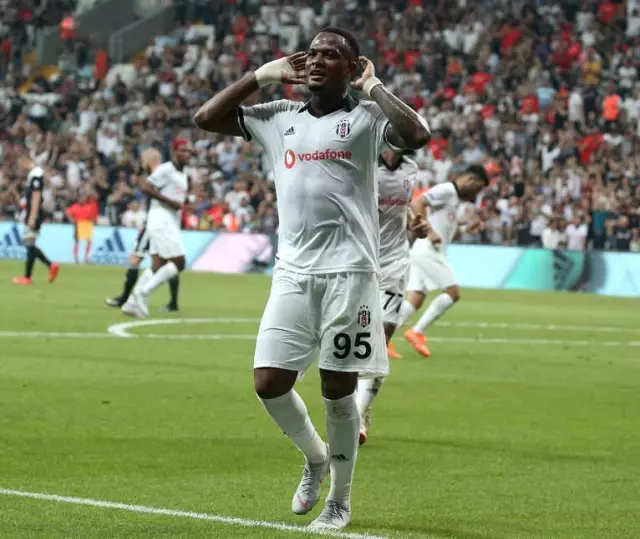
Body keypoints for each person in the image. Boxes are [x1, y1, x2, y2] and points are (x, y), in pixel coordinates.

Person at [194, 27, 430, 531]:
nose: (317, 61)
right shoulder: (279, 116)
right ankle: (316, 456)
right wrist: (261, 76)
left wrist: (373, 87)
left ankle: (340, 501)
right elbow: (206, 119)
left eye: (331, 55)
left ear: (353, 67)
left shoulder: (367, 117)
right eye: (313, 54)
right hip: (292, 273)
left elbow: (417, 135)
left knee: (337, 393)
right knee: (269, 383)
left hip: (350, 275)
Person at [356, 150, 428, 446]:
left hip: (395, 262)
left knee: (382, 337)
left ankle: (358, 414)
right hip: (359, 259)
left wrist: (416, 225)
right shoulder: (362, 161)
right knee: (356, 338)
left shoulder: (410, 167)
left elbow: (406, 208)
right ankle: (358, 400)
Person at [398, 164, 489, 357]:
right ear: (469, 179)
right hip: (428, 250)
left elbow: (447, 232)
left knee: (415, 300)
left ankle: (382, 337)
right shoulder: (447, 190)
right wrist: (430, 232)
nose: (476, 193)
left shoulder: (454, 199)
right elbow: (417, 203)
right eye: (478, 188)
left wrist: (466, 229)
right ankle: (417, 332)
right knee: (453, 292)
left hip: (424, 250)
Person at [121, 140, 192, 318]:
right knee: (179, 262)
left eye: (189, 151)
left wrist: (184, 203)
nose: (187, 154)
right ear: (174, 151)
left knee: (157, 265)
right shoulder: (166, 169)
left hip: (169, 220)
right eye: (183, 151)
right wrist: (170, 202)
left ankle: (131, 302)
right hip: (161, 218)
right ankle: (143, 293)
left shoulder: (183, 173)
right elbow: (145, 187)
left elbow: (175, 196)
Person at [105, 148, 181, 312]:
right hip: (167, 224)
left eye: (143, 160)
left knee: (135, 258)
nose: (141, 163)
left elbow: (152, 193)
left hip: (155, 224)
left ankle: (125, 298)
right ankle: (173, 303)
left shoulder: (158, 175)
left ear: (149, 160)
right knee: (168, 262)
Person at [12, 157, 60, 285]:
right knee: (30, 245)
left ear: (25, 161)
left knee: (29, 245)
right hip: (33, 212)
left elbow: (36, 196)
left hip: (34, 213)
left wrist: (32, 216)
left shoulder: (36, 175)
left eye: (20, 165)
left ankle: (50, 265)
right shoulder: (35, 175)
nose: (20, 168)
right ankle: (28, 276)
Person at [66, 190, 99, 264]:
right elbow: (68, 212)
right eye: (81, 198)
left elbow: (93, 215)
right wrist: (71, 219)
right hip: (78, 224)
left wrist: (93, 219)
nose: (82, 199)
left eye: (83, 197)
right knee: (77, 241)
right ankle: (76, 258)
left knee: (89, 241)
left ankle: (86, 257)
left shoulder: (89, 206)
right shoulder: (75, 206)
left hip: (87, 224)